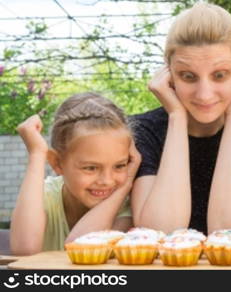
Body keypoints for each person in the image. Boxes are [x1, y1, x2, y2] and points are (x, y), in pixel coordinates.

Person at [129, 3, 231, 235]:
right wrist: (176, 117)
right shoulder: (142, 130)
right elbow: (159, 232)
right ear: (169, 75)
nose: (204, 94)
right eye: (188, 76)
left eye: (219, 75)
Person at [10, 92, 141, 255]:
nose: (107, 181)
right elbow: (25, 249)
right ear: (57, 163)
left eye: (120, 166)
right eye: (91, 168)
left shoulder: (126, 205)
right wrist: (37, 154)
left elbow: (81, 246)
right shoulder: (45, 196)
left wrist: (127, 182)